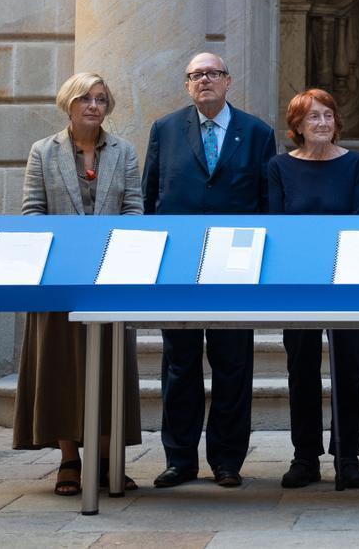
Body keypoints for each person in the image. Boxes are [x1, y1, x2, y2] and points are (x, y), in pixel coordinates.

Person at [142, 52, 277, 489]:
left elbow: (266, 204)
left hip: (236, 267)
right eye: (196, 75)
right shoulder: (165, 129)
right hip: (180, 268)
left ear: (228, 81)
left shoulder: (257, 133)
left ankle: (227, 461)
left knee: (232, 365)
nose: (205, 80)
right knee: (179, 367)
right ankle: (179, 460)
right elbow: (150, 198)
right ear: (187, 85)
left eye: (213, 73)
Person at [13, 72, 143, 495]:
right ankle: (69, 460)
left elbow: (134, 211)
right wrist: (65, 251)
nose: (93, 106)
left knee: (110, 364)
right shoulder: (42, 152)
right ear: (68, 103)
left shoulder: (123, 152)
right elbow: (32, 212)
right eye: (85, 98)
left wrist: (112, 251)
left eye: (101, 99)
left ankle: (108, 459)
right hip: (58, 276)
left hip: (110, 276)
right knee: (59, 367)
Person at [267, 89, 359, 489]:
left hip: (349, 281)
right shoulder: (279, 166)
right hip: (297, 282)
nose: (323, 124)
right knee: (302, 370)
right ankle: (304, 457)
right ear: (297, 125)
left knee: (350, 369)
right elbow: (278, 225)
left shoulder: (355, 164)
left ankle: (348, 456)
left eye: (328, 116)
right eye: (313, 118)